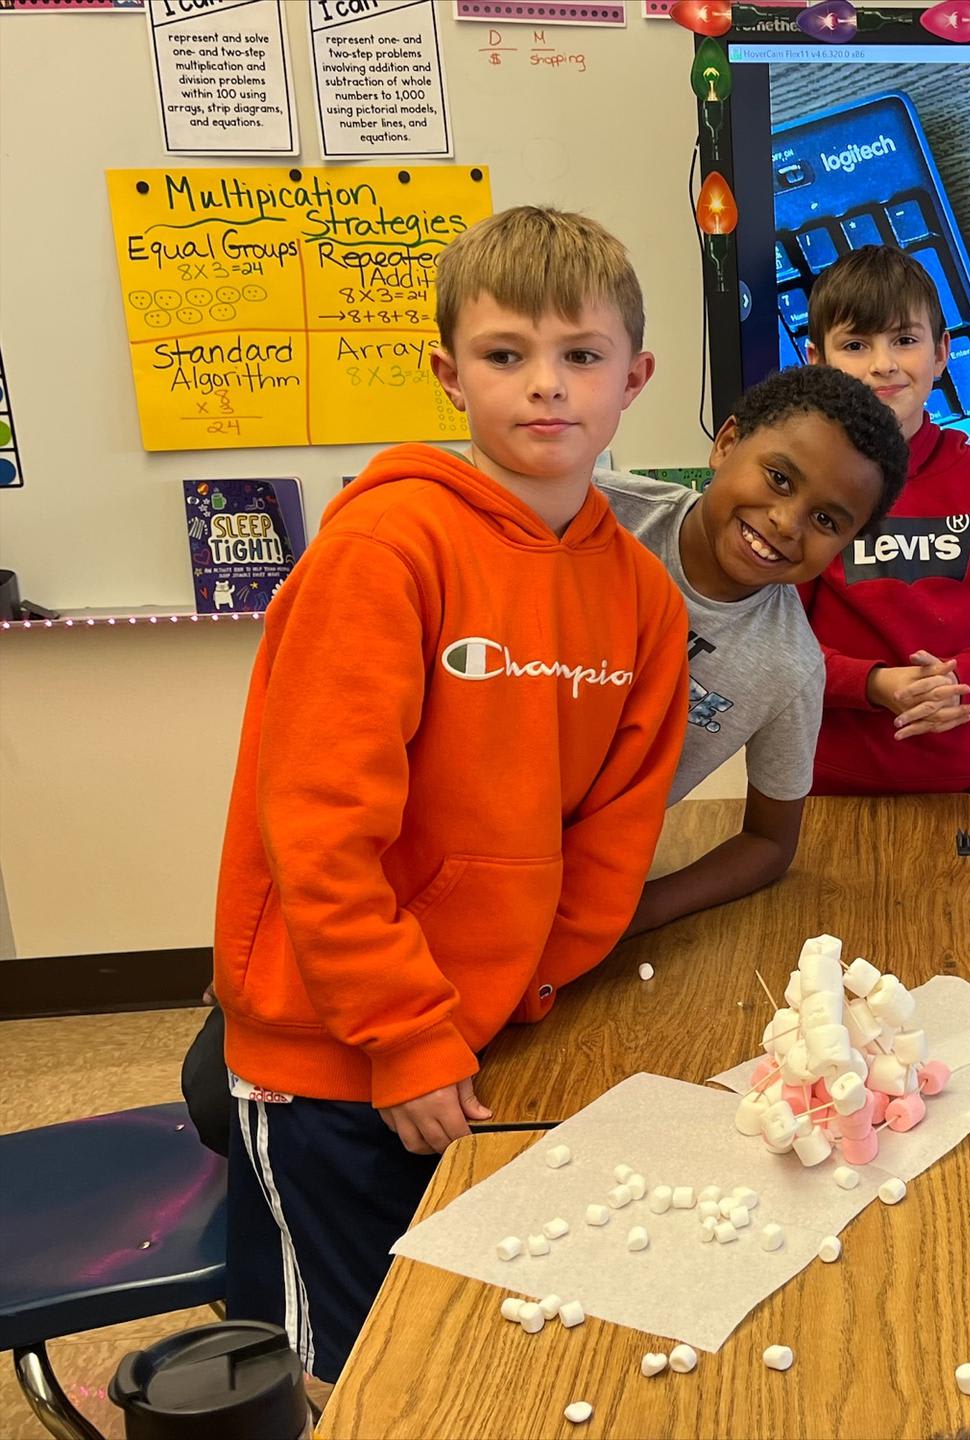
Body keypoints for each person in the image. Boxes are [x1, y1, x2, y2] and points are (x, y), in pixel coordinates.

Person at [212, 205, 689, 1381]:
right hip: (331, 1056)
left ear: (634, 379)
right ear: (448, 374)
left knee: (462, 1348)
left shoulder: (642, 596)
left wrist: (518, 992)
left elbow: (614, 835)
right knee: (354, 1368)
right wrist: (409, 1034)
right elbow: (318, 829)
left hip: (491, 1036)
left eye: (581, 355)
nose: (547, 385)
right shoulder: (386, 549)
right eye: (505, 354)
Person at [601, 365, 910, 932]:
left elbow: (770, 843)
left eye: (826, 520)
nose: (787, 523)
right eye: (779, 479)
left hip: (583, 881)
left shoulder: (791, 670)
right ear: (727, 443)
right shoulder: (597, 511)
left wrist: (637, 912)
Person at [800, 245, 970, 794]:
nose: (883, 364)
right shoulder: (801, 486)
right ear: (817, 361)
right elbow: (777, 642)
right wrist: (872, 684)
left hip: (966, 785)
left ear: (941, 353)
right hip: (821, 786)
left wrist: (961, 680)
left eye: (904, 340)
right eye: (856, 345)